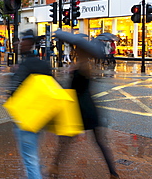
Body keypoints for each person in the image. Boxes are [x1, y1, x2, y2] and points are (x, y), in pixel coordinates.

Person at [50, 48, 119, 179]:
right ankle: (113, 172)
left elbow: (73, 89)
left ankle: (55, 167)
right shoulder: (87, 67)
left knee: (65, 140)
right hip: (90, 107)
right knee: (100, 142)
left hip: (79, 109)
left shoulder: (79, 69)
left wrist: (70, 73)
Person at [8, 29, 52, 179]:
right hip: (40, 116)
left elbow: (14, 90)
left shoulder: (25, 65)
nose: (19, 44)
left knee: (30, 158)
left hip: (26, 117)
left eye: (22, 41)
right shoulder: (43, 64)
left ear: (29, 43)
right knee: (32, 154)